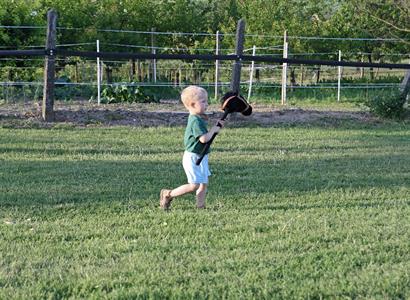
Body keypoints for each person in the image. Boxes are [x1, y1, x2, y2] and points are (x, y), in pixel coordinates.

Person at [160, 85, 224, 210]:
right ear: (193, 104)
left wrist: (217, 126)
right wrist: (215, 129)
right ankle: (168, 194)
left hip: (202, 155)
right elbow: (204, 139)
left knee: (203, 184)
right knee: (194, 185)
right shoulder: (195, 120)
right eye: (204, 101)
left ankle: (200, 206)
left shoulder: (199, 118)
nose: (207, 104)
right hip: (193, 157)